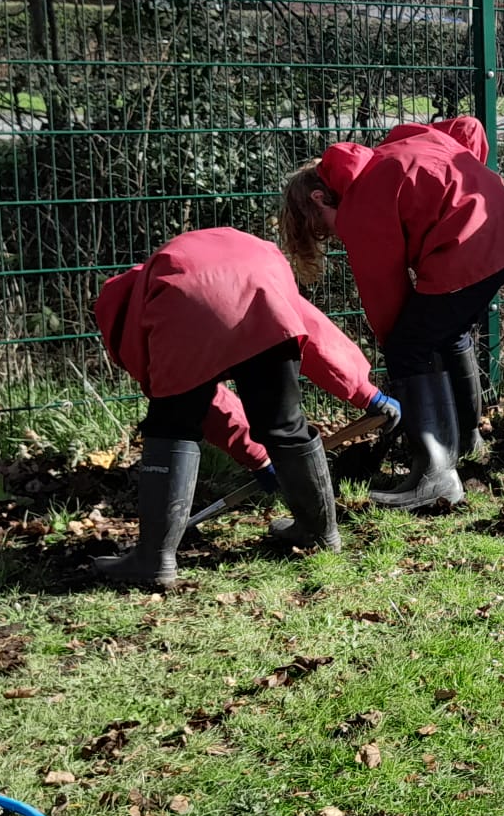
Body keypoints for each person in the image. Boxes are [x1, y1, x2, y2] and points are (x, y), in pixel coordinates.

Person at [89, 227, 401, 589]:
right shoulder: (185, 267)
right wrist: (365, 393)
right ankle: (319, 534)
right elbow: (313, 331)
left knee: (171, 425)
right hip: (264, 276)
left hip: (186, 297)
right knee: (283, 424)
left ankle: (154, 560)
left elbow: (197, 402)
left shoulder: (139, 309)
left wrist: (256, 458)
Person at [280, 115, 504, 510]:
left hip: (470, 250)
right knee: (446, 332)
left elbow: (385, 294)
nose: (335, 234)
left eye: (325, 228)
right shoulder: (397, 148)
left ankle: (435, 475)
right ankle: (463, 443)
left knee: (407, 344)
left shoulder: (361, 200)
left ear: (320, 199)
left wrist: (399, 368)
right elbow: (468, 128)